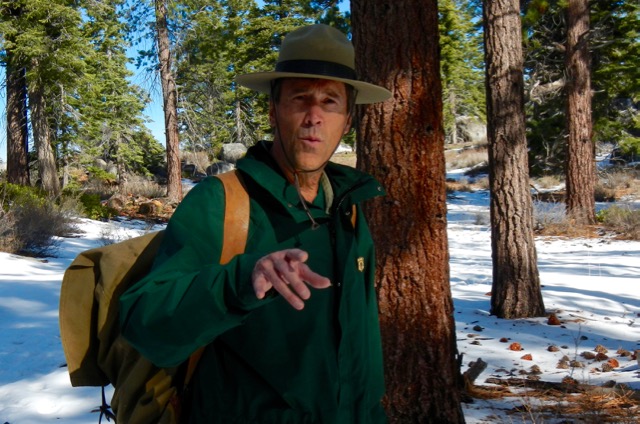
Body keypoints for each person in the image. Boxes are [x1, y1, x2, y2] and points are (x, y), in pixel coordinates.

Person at [120, 23, 392, 424]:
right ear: (273, 110)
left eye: (330, 102)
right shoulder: (222, 202)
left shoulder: (347, 208)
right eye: (300, 99)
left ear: (348, 118)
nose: (314, 116)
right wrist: (240, 282)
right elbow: (147, 324)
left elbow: (358, 352)